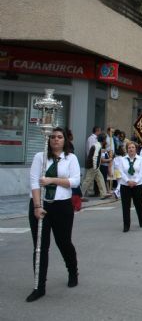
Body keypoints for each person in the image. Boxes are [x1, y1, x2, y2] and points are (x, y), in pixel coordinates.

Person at [26, 127, 81, 302]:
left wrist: (52, 180)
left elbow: (74, 181)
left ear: (65, 140)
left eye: (59, 137)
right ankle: (39, 286)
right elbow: (34, 181)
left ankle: (72, 271)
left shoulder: (70, 158)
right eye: (52, 137)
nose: (56, 140)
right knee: (40, 247)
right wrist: (36, 206)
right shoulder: (40, 157)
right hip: (40, 205)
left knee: (64, 242)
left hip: (62, 207)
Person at [115, 141, 142, 233]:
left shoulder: (140, 159)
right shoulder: (123, 160)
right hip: (125, 185)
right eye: (129, 148)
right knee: (125, 206)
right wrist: (128, 181)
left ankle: (141, 219)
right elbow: (121, 171)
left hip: (137, 185)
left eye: (132, 147)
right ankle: (126, 225)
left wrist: (135, 181)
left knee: (138, 204)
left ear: (136, 149)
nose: (131, 149)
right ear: (127, 149)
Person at [80, 133, 110, 200]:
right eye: (105, 139)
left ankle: (103, 194)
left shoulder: (97, 145)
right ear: (103, 140)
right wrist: (95, 167)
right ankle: (80, 195)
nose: (106, 141)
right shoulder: (98, 146)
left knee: (100, 179)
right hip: (93, 167)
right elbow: (95, 157)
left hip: (94, 166)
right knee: (88, 180)